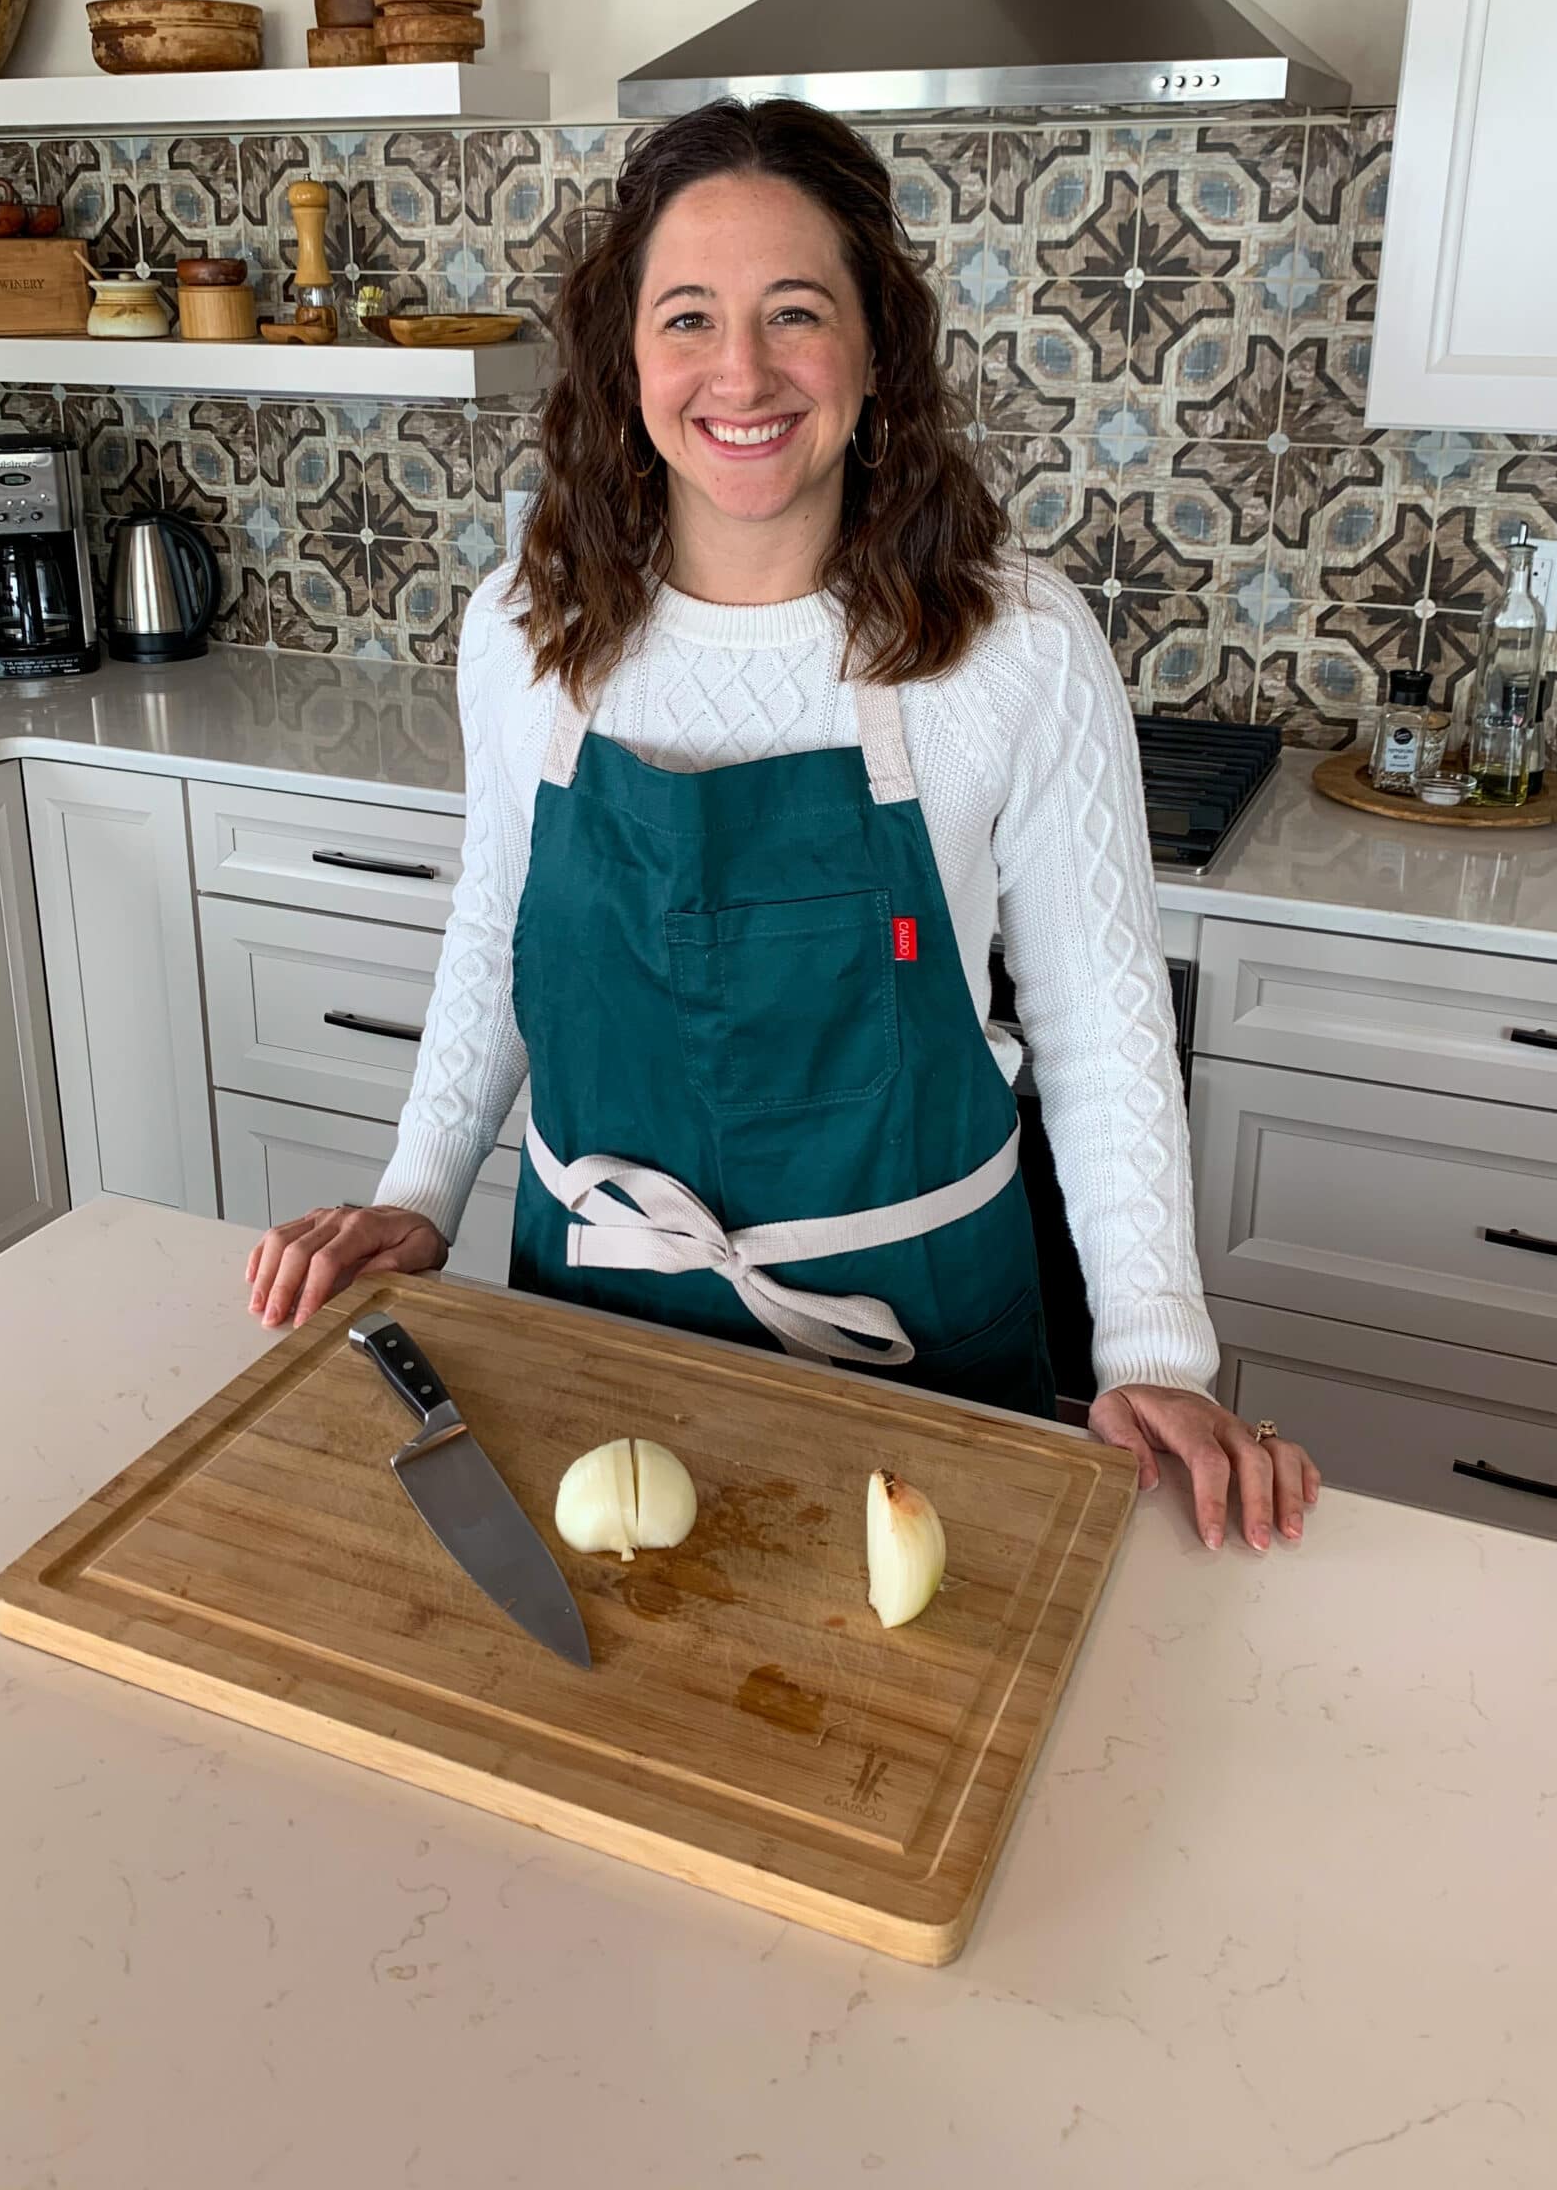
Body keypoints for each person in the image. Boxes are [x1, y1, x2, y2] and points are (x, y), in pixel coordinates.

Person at [246, 97, 1318, 1553]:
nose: (738, 371)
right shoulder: (523, 632)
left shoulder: (1015, 644)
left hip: (921, 1336)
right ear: (624, 358)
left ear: (878, 353)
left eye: (794, 313)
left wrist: (1154, 1354)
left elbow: (1100, 1026)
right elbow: (499, 934)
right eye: (687, 316)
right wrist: (419, 1192)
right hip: (593, 1313)